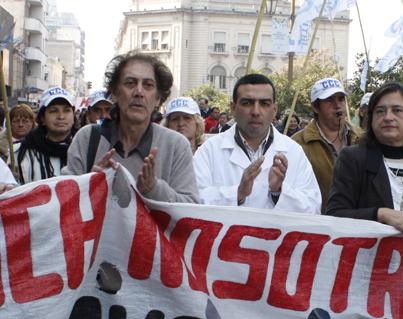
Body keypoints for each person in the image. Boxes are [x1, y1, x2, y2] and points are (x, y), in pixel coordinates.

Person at [63, 52, 200, 204]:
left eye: (148, 85)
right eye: (130, 83)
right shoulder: (87, 138)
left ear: (158, 98)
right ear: (114, 93)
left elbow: (191, 208)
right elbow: (61, 201)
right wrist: (88, 185)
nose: (139, 92)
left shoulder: (176, 145)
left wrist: (154, 189)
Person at [326, 82, 403, 238]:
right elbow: (335, 214)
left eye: (397, 110)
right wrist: (381, 214)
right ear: (370, 119)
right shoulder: (352, 159)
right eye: (380, 111)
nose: (388, 117)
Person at [194, 73, 321, 213]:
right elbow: (192, 203)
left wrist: (279, 192)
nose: (256, 111)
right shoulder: (209, 150)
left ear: (274, 110)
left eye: (264, 104)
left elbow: (313, 208)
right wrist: (237, 193)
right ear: (233, 108)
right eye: (247, 103)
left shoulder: (294, 152)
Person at [292, 77, 361, 213]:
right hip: (320, 227)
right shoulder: (297, 144)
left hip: (359, 225)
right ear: (316, 107)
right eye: (329, 100)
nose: (337, 105)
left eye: (341, 99)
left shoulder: (363, 138)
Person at [14, 87, 75, 184]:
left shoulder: (83, 150)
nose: (61, 116)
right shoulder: (20, 154)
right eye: (53, 111)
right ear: (42, 118)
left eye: (66, 110)